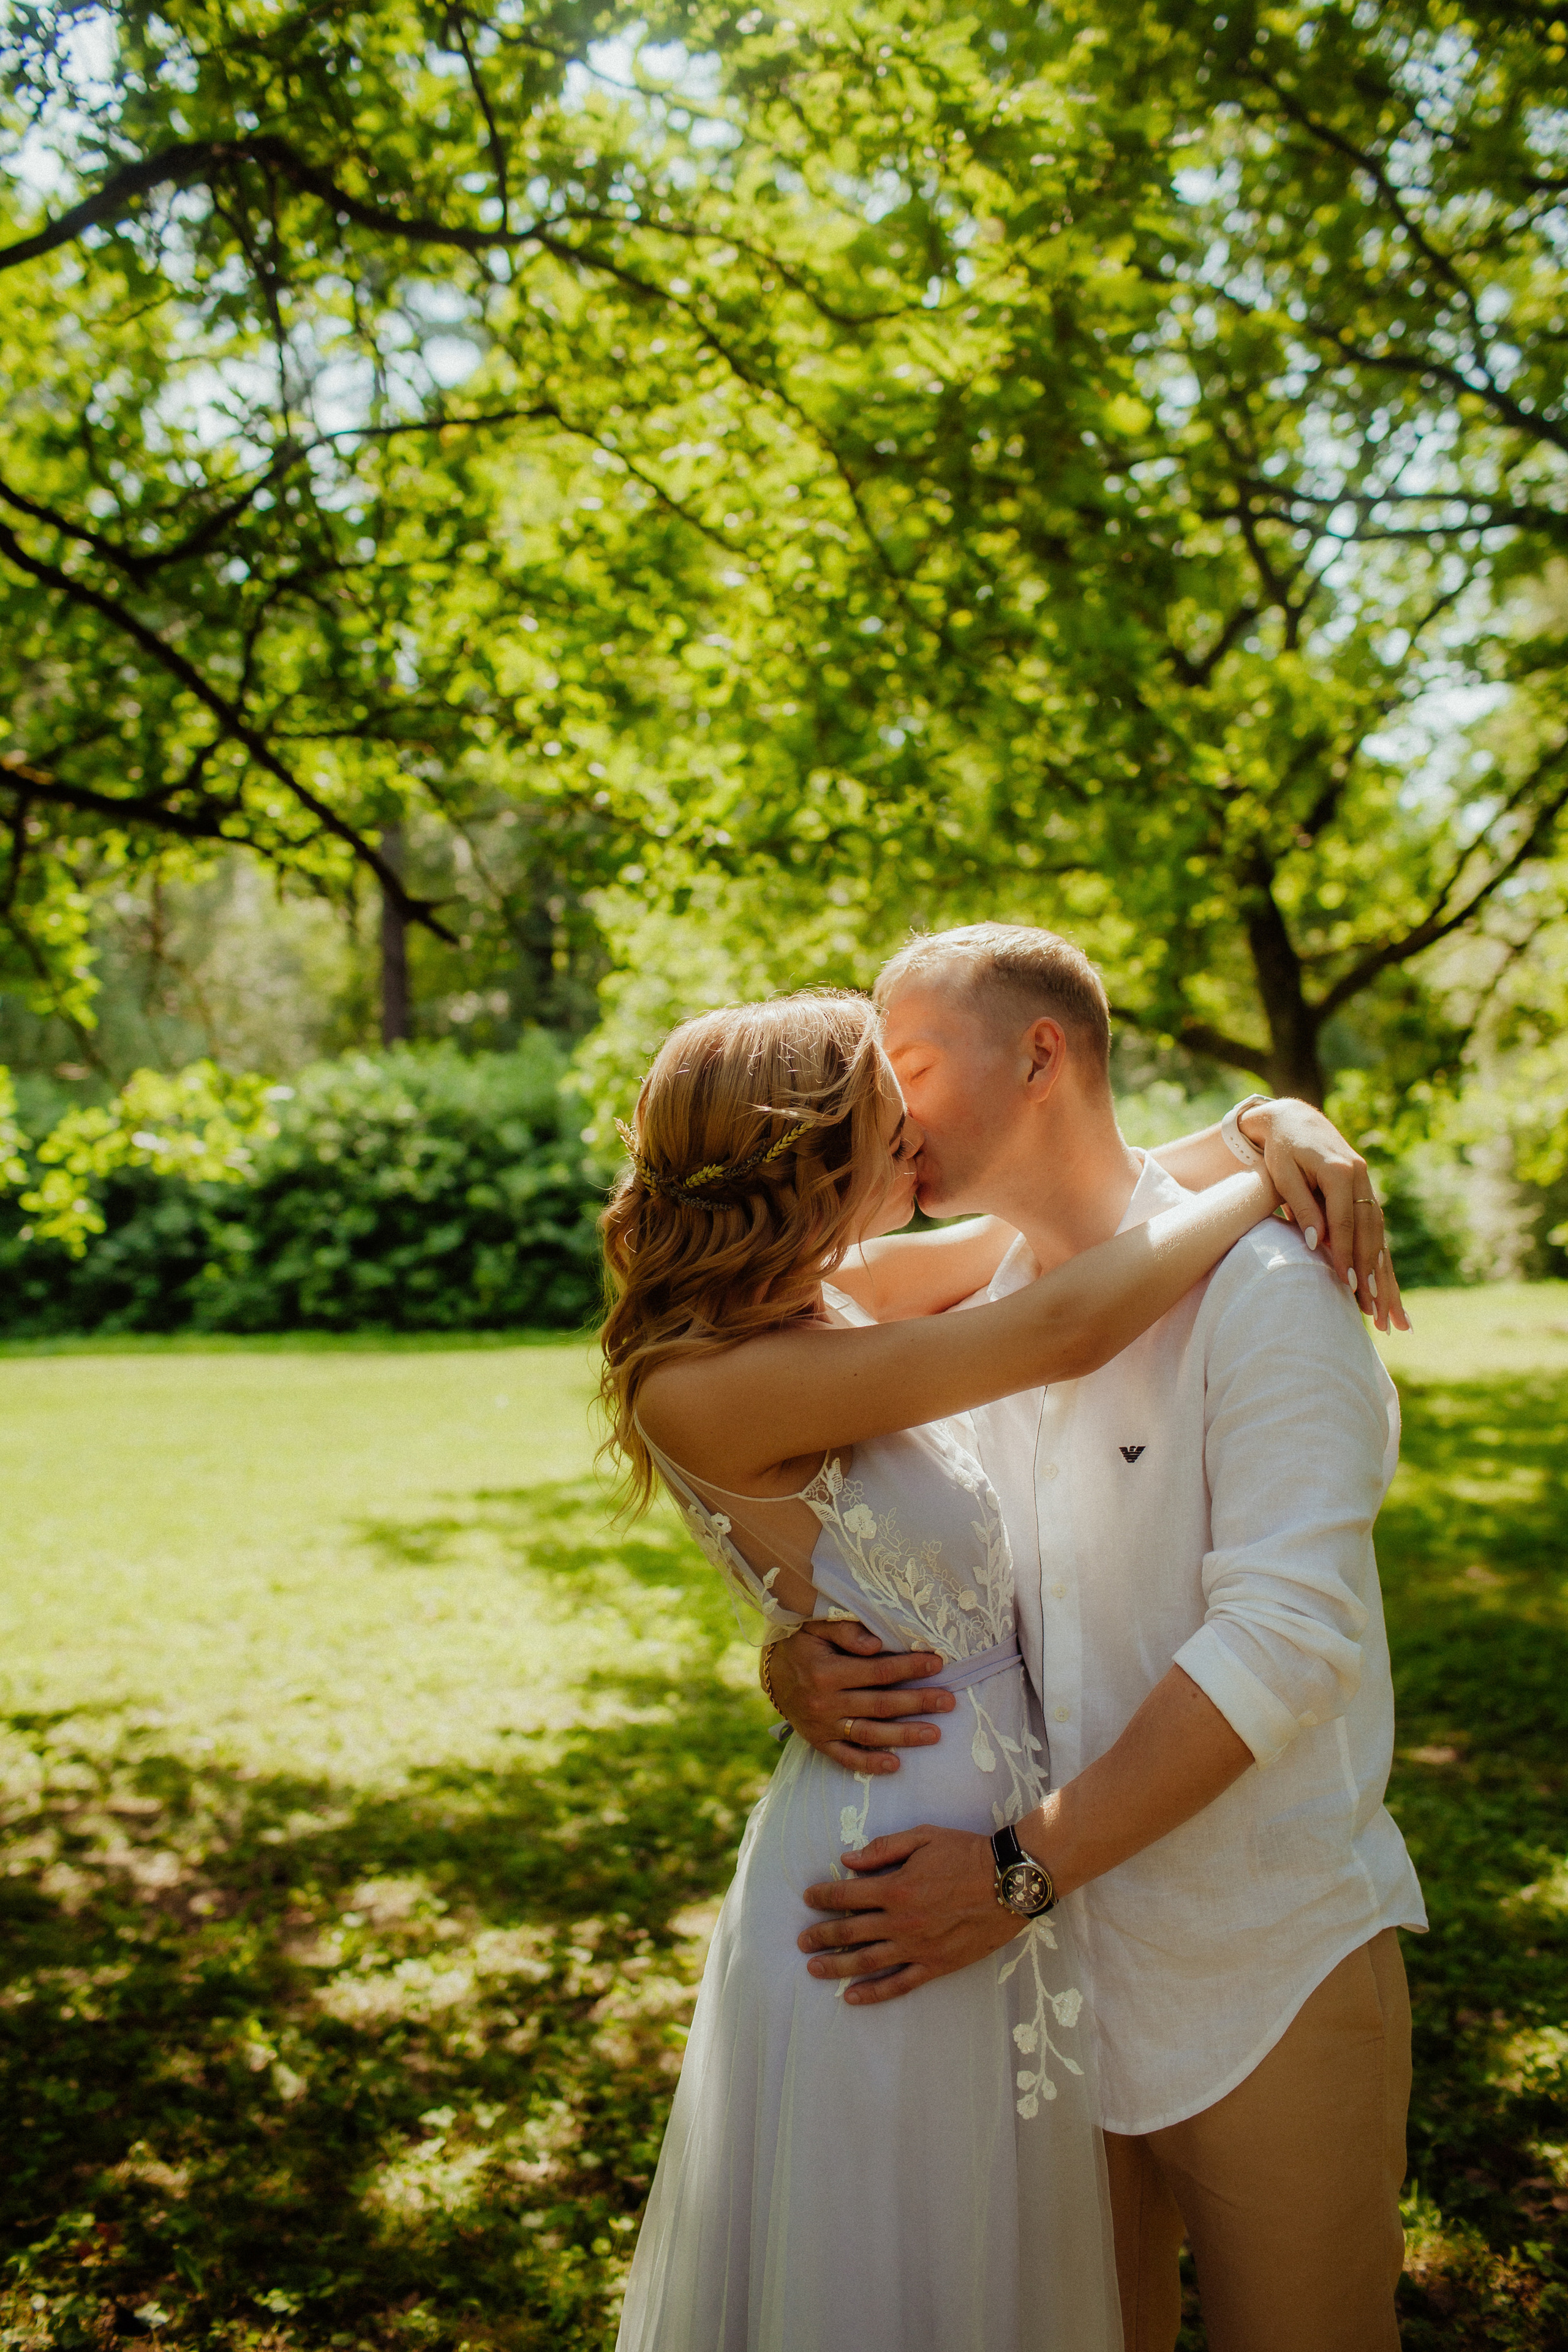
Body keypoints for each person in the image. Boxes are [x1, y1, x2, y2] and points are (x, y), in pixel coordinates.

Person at [600, 986, 1378, 2352]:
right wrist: (1267, 1186)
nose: (910, 1128)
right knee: (916, 2273)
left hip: (1081, 1886)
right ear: (804, 1151)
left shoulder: (841, 1298)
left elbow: (1067, 1221)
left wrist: (1272, 1125)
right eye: (882, 1104)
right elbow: (1059, 1328)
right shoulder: (706, 1376)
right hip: (898, 1870)